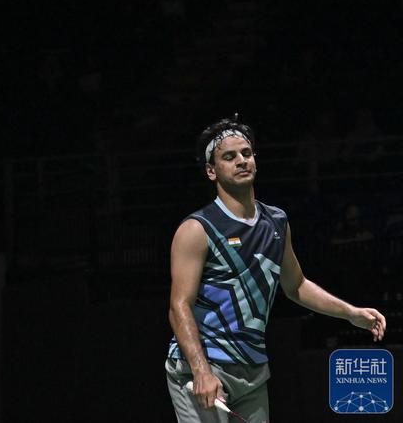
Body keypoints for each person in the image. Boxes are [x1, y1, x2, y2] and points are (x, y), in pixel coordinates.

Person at [165, 115, 386, 423]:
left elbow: (296, 285)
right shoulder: (197, 229)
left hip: (253, 369)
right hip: (204, 365)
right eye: (229, 157)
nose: (241, 161)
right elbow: (179, 306)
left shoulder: (276, 222)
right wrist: (200, 370)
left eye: (246, 153)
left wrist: (351, 313)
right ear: (211, 171)